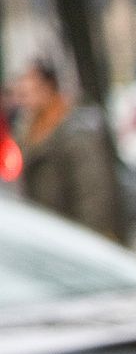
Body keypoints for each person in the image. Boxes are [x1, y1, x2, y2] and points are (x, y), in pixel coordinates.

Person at [11, 60, 126, 241]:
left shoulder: (75, 131)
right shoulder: (32, 130)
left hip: (74, 237)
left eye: (27, 91)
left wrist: (89, 242)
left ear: (47, 87)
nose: (22, 98)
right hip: (52, 234)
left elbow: (94, 196)